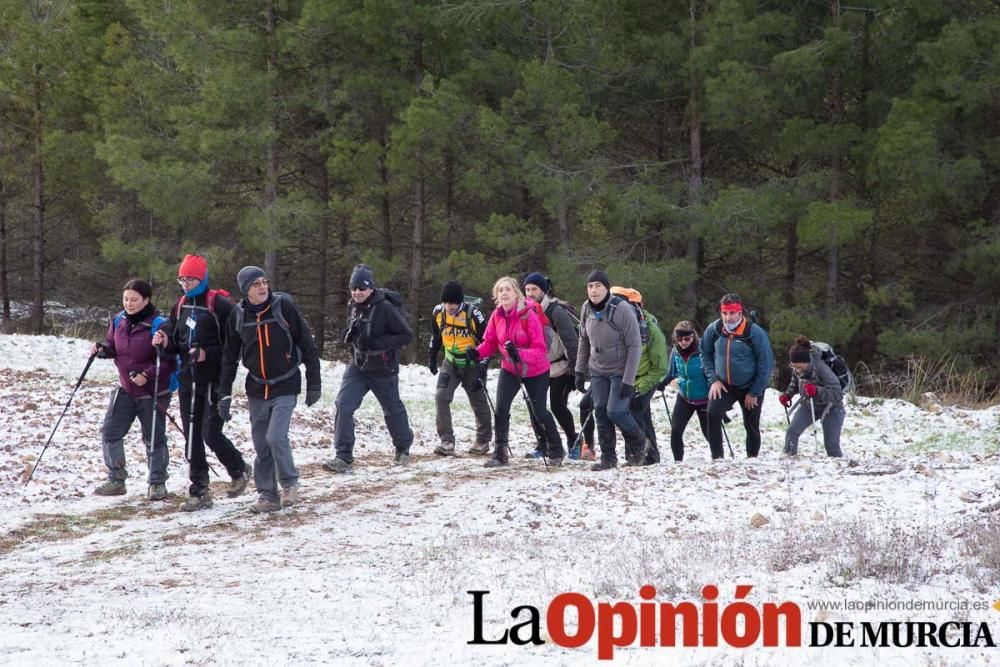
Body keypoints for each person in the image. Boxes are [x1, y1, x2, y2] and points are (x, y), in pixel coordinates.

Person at [218, 266, 321, 513]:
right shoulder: (238, 316)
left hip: (286, 383)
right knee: (262, 445)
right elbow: (229, 358)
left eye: (264, 282)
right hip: (256, 388)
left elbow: (307, 344)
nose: (262, 287)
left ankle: (289, 483)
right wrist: (224, 394)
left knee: (276, 437)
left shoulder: (283, 307)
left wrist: (314, 383)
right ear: (245, 291)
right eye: (256, 284)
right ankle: (267, 495)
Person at [153, 254, 251, 512]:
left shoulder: (219, 304)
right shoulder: (181, 305)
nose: (186, 284)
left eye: (191, 279)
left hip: (214, 381)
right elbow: (176, 343)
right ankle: (199, 491)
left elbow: (234, 347)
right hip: (189, 380)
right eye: (182, 279)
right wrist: (164, 343)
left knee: (210, 433)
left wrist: (209, 353)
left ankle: (238, 469)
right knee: (192, 437)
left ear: (203, 278)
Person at [324, 264, 414, 474]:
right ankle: (343, 456)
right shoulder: (352, 305)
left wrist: (376, 343)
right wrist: (350, 334)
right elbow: (352, 331)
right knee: (343, 405)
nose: (357, 293)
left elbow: (405, 335)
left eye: (361, 288)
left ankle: (403, 449)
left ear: (371, 288)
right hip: (358, 367)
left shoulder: (385, 308)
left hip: (383, 368)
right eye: (353, 288)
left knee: (392, 410)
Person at [91, 278, 176, 500]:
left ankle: (157, 483)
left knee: (154, 438)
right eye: (126, 299)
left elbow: (168, 361)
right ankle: (116, 479)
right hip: (125, 388)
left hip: (152, 390)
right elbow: (113, 346)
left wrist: (146, 374)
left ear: (146, 300)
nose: (129, 303)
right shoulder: (119, 320)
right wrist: (102, 349)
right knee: (110, 432)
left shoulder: (159, 324)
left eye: (134, 300)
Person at [466, 276, 564, 468]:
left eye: (508, 289)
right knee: (501, 409)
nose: (504, 293)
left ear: (516, 293)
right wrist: (476, 353)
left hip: (536, 370)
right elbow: (491, 343)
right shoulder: (497, 315)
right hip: (510, 368)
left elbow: (540, 350)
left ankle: (556, 449)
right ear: (496, 295)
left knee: (539, 411)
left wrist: (518, 353)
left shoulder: (529, 315)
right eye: (500, 290)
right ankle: (500, 453)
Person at [574, 270, 645, 470]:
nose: (594, 290)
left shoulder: (622, 309)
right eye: (590, 286)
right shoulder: (586, 309)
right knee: (601, 412)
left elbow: (635, 346)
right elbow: (584, 340)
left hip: (620, 369)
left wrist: (628, 380)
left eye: (598, 286)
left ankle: (638, 441)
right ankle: (608, 458)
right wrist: (579, 370)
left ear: (606, 288)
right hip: (597, 369)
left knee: (616, 411)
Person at [700, 293, 774, 459]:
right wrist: (713, 379)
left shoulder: (754, 333)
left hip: (750, 385)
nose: (728, 318)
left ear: (740, 313)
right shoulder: (715, 329)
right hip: (724, 385)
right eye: (725, 313)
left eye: (732, 313)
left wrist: (754, 392)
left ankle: (752, 459)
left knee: (751, 424)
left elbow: (766, 364)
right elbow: (704, 352)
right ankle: (717, 458)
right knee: (712, 413)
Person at [427, 280, 492, 456]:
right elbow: (436, 336)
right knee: (441, 397)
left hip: (472, 364)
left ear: (460, 302)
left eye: (453, 303)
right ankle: (447, 440)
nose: (449, 306)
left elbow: (488, 341)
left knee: (478, 401)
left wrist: (483, 366)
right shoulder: (438, 313)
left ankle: (483, 440)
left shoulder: (473, 315)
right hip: (451, 363)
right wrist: (432, 357)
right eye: (446, 302)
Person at [522, 272, 578, 458]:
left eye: (534, 289)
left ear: (543, 291)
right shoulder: (524, 310)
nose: (530, 293)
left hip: (561, 367)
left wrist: (574, 371)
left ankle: (573, 441)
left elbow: (571, 341)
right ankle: (543, 444)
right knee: (534, 404)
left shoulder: (556, 312)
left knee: (557, 406)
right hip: (538, 367)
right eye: (527, 289)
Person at [613, 288, 668, 466]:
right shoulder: (616, 327)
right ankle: (649, 456)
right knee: (639, 415)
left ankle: (640, 455)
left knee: (635, 411)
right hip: (626, 378)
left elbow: (660, 367)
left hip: (647, 377)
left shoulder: (651, 331)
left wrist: (641, 386)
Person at [779, 336, 845, 457]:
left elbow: (837, 393)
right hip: (808, 405)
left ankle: (837, 469)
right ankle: (788, 459)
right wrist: (788, 394)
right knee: (792, 431)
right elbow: (794, 383)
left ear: (807, 362)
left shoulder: (821, 369)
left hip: (832, 408)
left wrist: (817, 390)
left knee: (831, 446)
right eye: (793, 367)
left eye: (799, 367)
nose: (797, 370)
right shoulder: (797, 368)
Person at [659, 320, 710, 461]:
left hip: (704, 398)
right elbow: (672, 373)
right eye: (680, 339)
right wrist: (662, 382)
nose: (683, 342)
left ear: (693, 336)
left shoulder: (702, 350)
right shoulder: (676, 351)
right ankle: (678, 462)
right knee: (675, 431)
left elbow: (711, 372)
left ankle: (718, 459)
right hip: (685, 398)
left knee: (708, 433)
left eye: (687, 339)